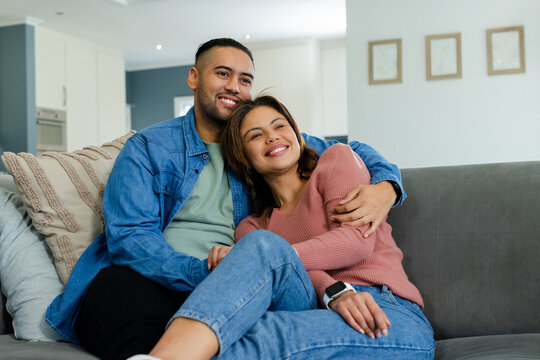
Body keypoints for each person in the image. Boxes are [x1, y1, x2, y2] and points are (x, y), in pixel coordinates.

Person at [45, 38, 406, 360]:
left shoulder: (270, 143)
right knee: (121, 294)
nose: (234, 86)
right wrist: (201, 272)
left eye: (245, 79)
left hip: (242, 279)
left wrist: (386, 188)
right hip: (161, 276)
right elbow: (130, 237)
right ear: (194, 78)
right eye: (222, 74)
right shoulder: (149, 148)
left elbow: (351, 151)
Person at [148, 96, 434, 360]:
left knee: (258, 334)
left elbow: (355, 242)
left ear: (296, 134)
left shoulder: (337, 159)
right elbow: (301, 269)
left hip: (387, 313)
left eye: (279, 126)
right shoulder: (251, 228)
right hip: (313, 308)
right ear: (244, 157)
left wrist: (268, 257)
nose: (271, 136)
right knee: (236, 318)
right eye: (255, 135)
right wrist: (333, 290)